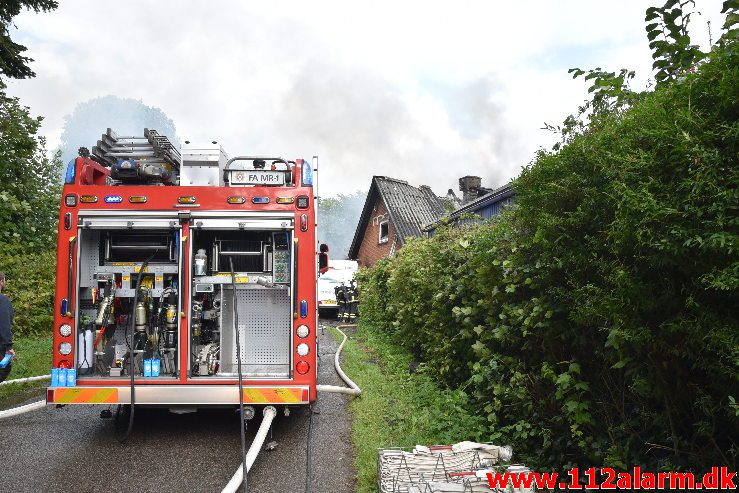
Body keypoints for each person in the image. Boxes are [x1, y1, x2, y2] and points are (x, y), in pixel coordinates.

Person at [0, 271, 15, 383]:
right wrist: (9, 347)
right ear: (1, 282)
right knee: (5, 368)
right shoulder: (2, 300)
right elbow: (4, 325)